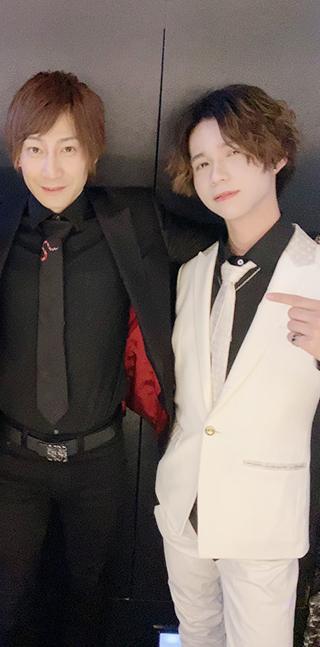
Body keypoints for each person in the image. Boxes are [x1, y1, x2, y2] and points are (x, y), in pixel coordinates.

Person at [0, 70, 175, 646]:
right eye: (35, 149)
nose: (51, 168)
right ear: (16, 154)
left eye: (68, 149)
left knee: (92, 602)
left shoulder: (133, 220)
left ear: (93, 154)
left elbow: (228, 243)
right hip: (13, 456)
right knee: (7, 602)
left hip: (100, 458)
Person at [154, 84, 320, 647]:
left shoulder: (315, 271)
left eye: (233, 153)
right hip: (185, 507)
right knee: (197, 634)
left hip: (263, 519)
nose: (216, 174)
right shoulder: (193, 273)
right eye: (202, 162)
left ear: (276, 156)